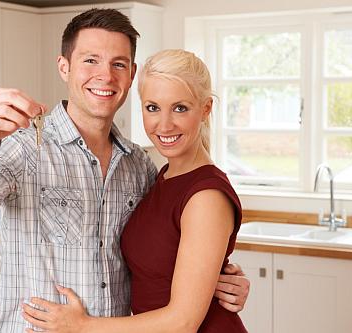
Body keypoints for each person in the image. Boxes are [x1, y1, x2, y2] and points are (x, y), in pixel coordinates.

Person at [0, 9, 249, 333]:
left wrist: (219, 276)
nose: (106, 76)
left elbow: (162, 254)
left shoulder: (139, 166)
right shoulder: (24, 148)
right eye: (90, 60)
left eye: (118, 64)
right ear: (64, 67)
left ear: (131, 75)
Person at [22, 49, 248, 333]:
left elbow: (183, 322)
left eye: (180, 108)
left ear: (205, 109)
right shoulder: (161, 177)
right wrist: (214, 276)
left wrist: (81, 326)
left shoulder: (206, 196)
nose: (164, 124)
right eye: (153, 107)